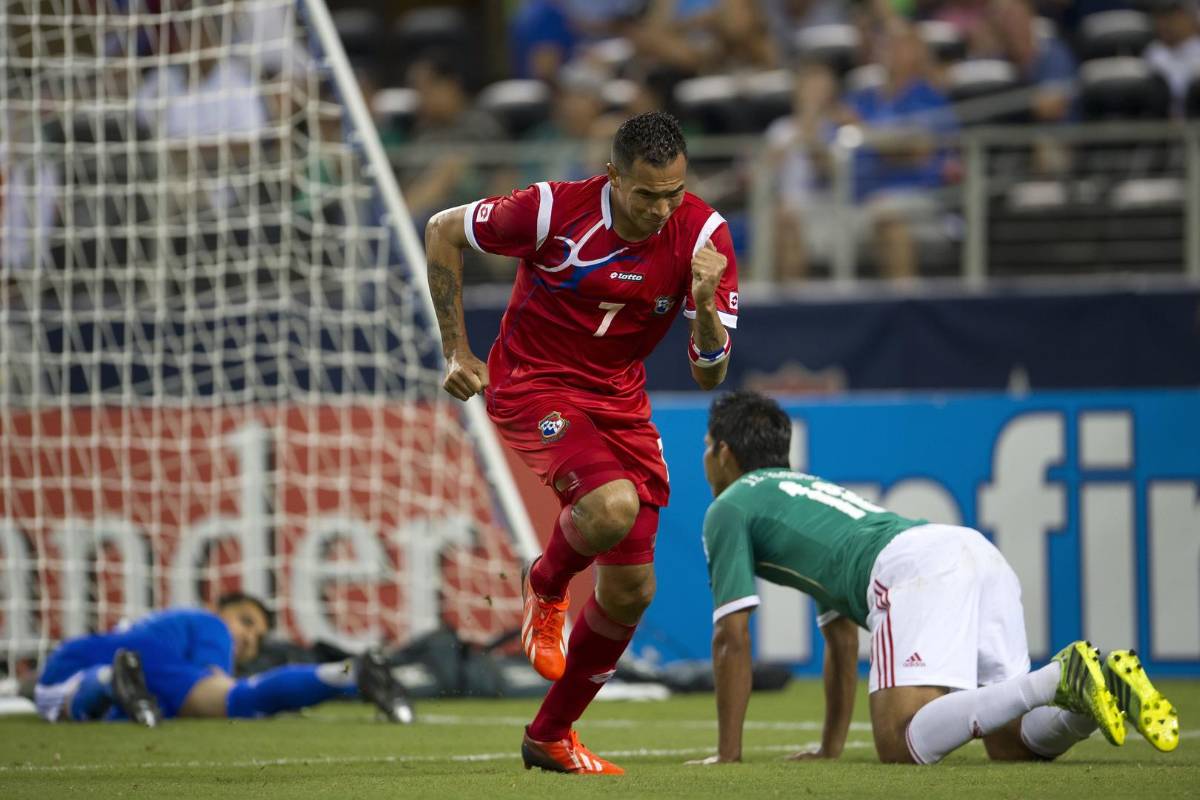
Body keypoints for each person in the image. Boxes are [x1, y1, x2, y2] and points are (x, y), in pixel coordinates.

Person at [423, 110, 738, 774]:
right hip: (532, 384)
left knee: (631, 591)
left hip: (619, 403)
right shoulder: (549, 210)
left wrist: (706, 305)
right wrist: (456, 349)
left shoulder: (704, 236)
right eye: (646, 194)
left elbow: (710, 374)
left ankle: (550, 736)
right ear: (612, 176)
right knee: (609, 506)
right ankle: (545, 583)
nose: (661, 210)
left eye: (674, 194)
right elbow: (442, 230)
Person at [690, 391, 1180, 765]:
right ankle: (1096, 693)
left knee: (899, 740)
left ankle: (1057, 676)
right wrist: (828, 749)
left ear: (726, 453)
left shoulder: (729, 506)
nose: (706, 458)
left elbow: (732, 637)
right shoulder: (808, 493)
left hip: (912, 567)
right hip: (974, 553)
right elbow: (841, 642)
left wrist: (728, 756)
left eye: (708, 447)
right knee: (1010, 743)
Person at [34, 593, 412, 727]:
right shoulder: (209, 624)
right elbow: (225, 691)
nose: (248, 637)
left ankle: (107, 681)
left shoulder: (165, 643)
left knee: (97, 706)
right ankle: (348, 672)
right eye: (245, 622)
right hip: (97, 661)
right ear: (220, 610)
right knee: (236, 699)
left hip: (81, 660)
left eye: (257, 638)